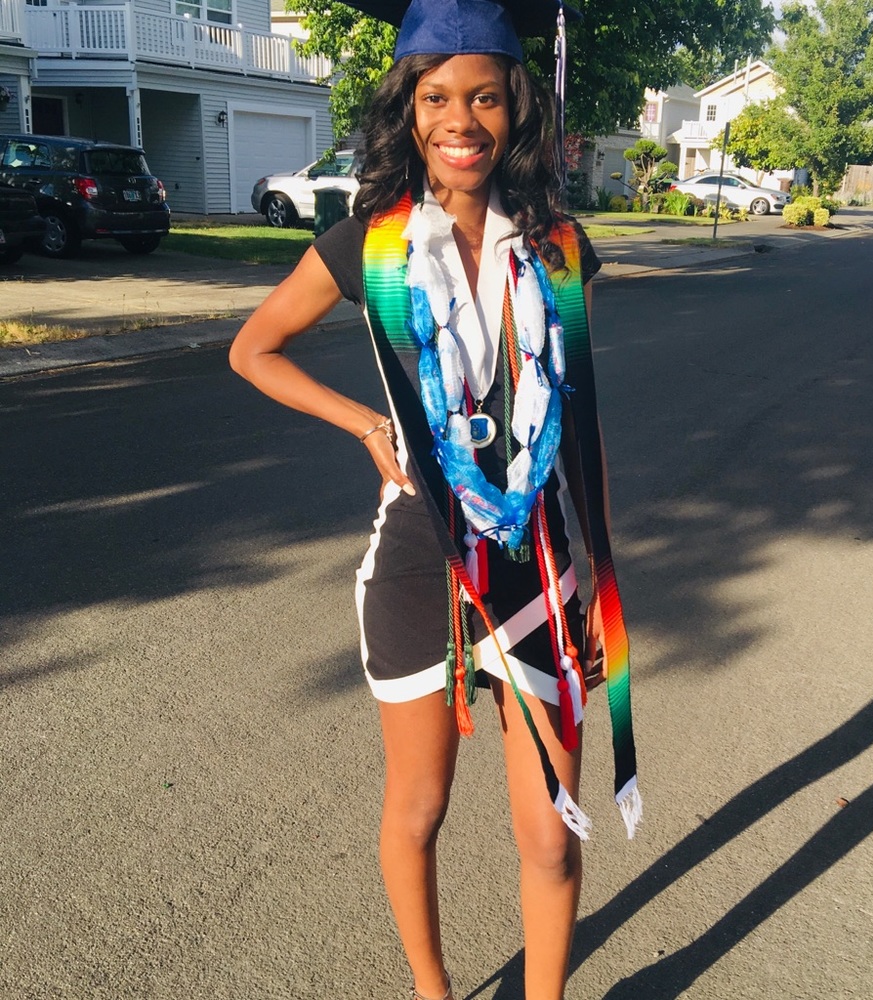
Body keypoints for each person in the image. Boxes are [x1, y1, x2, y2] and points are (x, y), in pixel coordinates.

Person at [229, 2, 639, 997]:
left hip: (536, 567)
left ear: (515, 111)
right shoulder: (364, 247)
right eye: (438, 98)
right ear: (409, 114)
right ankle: (432, 990)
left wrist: (596, 579)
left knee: (548, 840)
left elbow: (581, 436)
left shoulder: (559, 249)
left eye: (485, 97)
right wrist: (369, 427)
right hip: (419, 562)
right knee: (417, 809)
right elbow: (253, 349)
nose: (463, 119)